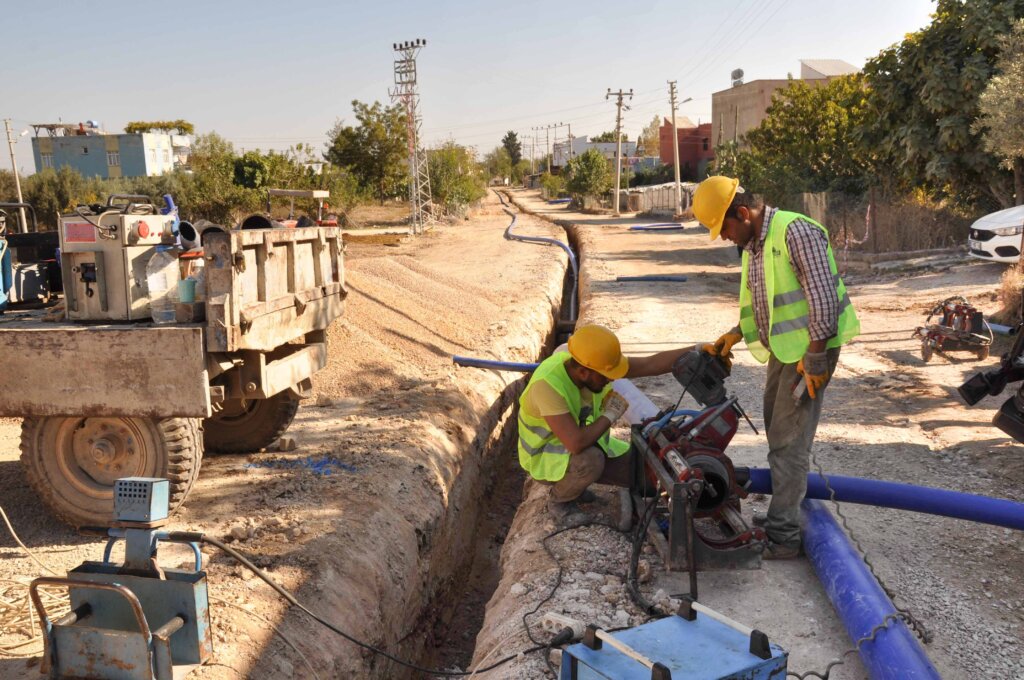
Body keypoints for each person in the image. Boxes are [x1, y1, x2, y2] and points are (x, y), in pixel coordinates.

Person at [692, 176, 860, 559]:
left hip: (810, 352)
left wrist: (816, 357)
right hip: (788, 350)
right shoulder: (754, 244)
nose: (723, 237)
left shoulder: (794, 232)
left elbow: (822, 300)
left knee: (789, 442)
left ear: (742, 212)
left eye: (724, 228)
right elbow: (767, 301)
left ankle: (784, 537)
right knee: (776, 429)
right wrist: (736, 334)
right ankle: (782, 514)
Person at [517, 324, 695, 523]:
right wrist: (610, 414)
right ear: (584, 372)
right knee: (590, 461)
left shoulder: (588, 365)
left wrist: (699, 350)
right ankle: (560, 501)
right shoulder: (548, 386)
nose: (611, 379)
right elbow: (575, 443)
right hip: (545, 457)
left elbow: (649, 364)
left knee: (643, 478)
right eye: (605, 376)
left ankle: (577, 486)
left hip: (580, 445)